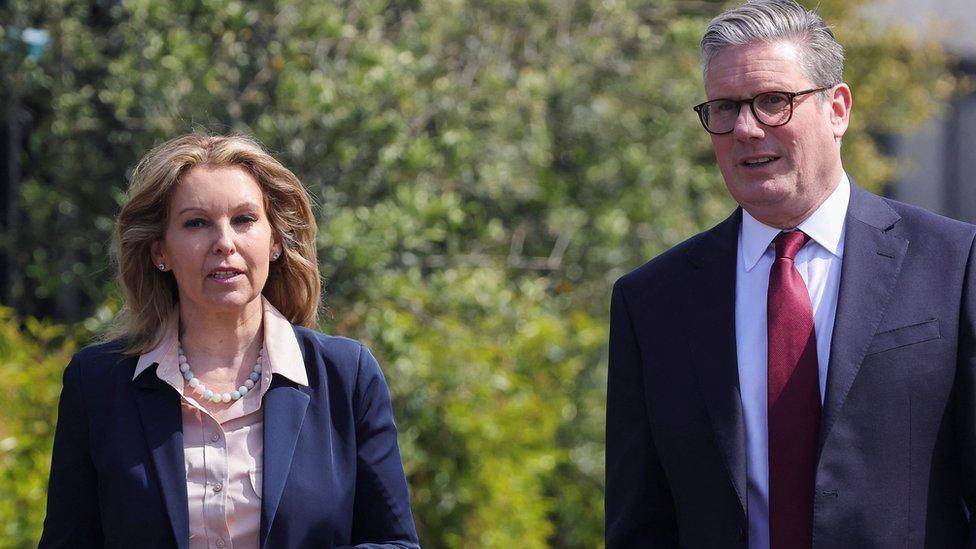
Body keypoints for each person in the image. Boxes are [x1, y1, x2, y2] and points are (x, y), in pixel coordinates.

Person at [605, 0, 976, 547]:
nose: (747, 129)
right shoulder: (653, 300)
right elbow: (640, 523)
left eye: (773, 101)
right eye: (726, 108)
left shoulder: (954, 264)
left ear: (838, 109)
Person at [39, 134, 420, 548]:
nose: (224, 242)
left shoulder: (347, 376)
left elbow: (393, 542)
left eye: (244, 220)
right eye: (196, 222)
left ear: (275, 241)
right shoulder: (96, 383)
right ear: (158, 251)